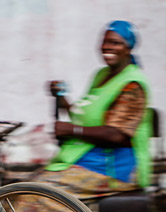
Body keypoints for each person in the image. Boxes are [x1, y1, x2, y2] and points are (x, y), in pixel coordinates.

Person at [33, 21, 152, 207]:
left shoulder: (132, 84)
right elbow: (85, 117)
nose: (107, 47)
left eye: (115, 43)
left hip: (114, 168)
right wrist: (61, 97)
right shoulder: (102, 75)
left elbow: (117, 134)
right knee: (30, 186)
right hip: (90, 159)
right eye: (105, 42)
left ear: (128, 48)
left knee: (36, 197)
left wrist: (72, 130)